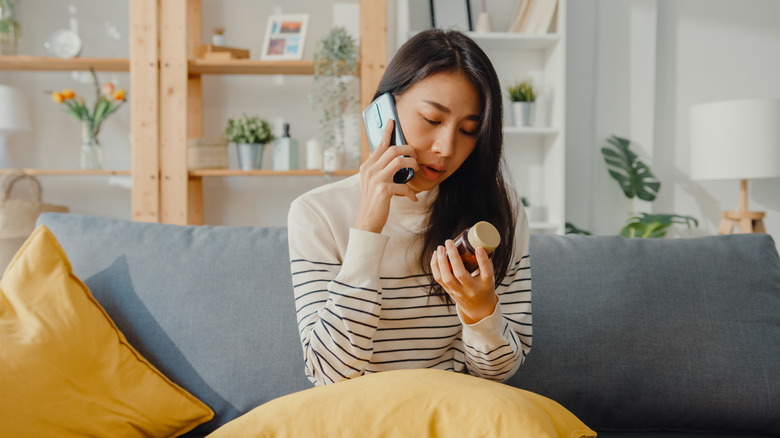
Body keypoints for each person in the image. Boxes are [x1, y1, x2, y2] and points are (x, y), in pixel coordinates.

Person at [288, 29, 531, 386]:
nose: (446, 147)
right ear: (384, 110)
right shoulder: (316, 214)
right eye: (432, 120)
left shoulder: (499, 208)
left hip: (453, 412)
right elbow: (331, 374)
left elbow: (500, 372)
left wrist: (480, 311)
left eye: (468, 130)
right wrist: (368, 228)